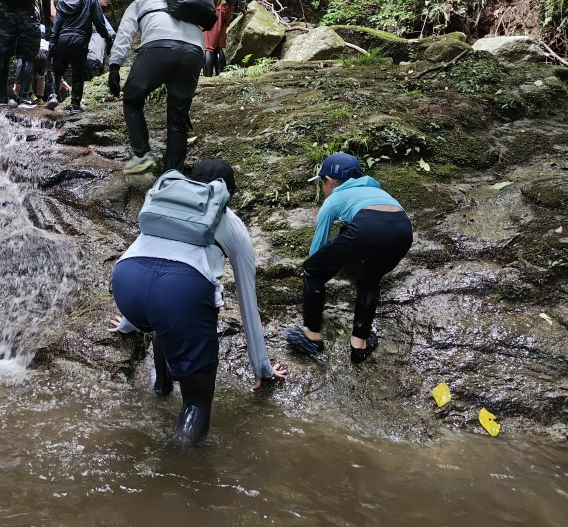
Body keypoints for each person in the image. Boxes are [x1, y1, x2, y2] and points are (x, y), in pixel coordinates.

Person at [108, 159, 288, 445]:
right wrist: (262, 369)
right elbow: (247, 298)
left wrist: (130, 322)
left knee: (163, 320)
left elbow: (148, 258)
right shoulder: (230, 221)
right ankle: (176, 476)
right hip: (179, 292)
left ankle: (162, 387)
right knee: (196, 404)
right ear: (229, 194)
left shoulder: (164, 204)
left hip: (125, 280)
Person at [285, 152, 413, 364]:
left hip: (368, 227)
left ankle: (312, 337)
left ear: (330, 181)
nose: (323, 189)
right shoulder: (376, 190)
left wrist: (312, 268)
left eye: (322, 184)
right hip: (402, 230)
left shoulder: (334, 199)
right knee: (369, 280)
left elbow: (319, 245)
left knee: (313, 271)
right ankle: (359, 345)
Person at [107, 0, 204, 174]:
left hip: (159, 46)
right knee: (178, 117)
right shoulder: (181, 6)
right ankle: (172, 176)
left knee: (132, 99)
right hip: (195, 51)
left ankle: (142, 155)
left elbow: (125, 33)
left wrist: (114, 66)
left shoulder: (140, 3)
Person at [45, 0, 115, 113]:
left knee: (56, 70)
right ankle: (75, 105)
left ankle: (52, 96)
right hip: (80, 41)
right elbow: (100, 24)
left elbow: (56, 24)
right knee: (78, 72)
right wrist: (108, 39)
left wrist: (52, 44)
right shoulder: (91, 0)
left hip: (62, 39)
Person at [85, 0, 116, 79]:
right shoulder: (92, 5)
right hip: (92, 44)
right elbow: (105, 27)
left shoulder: (97, 8)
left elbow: (108, 28)